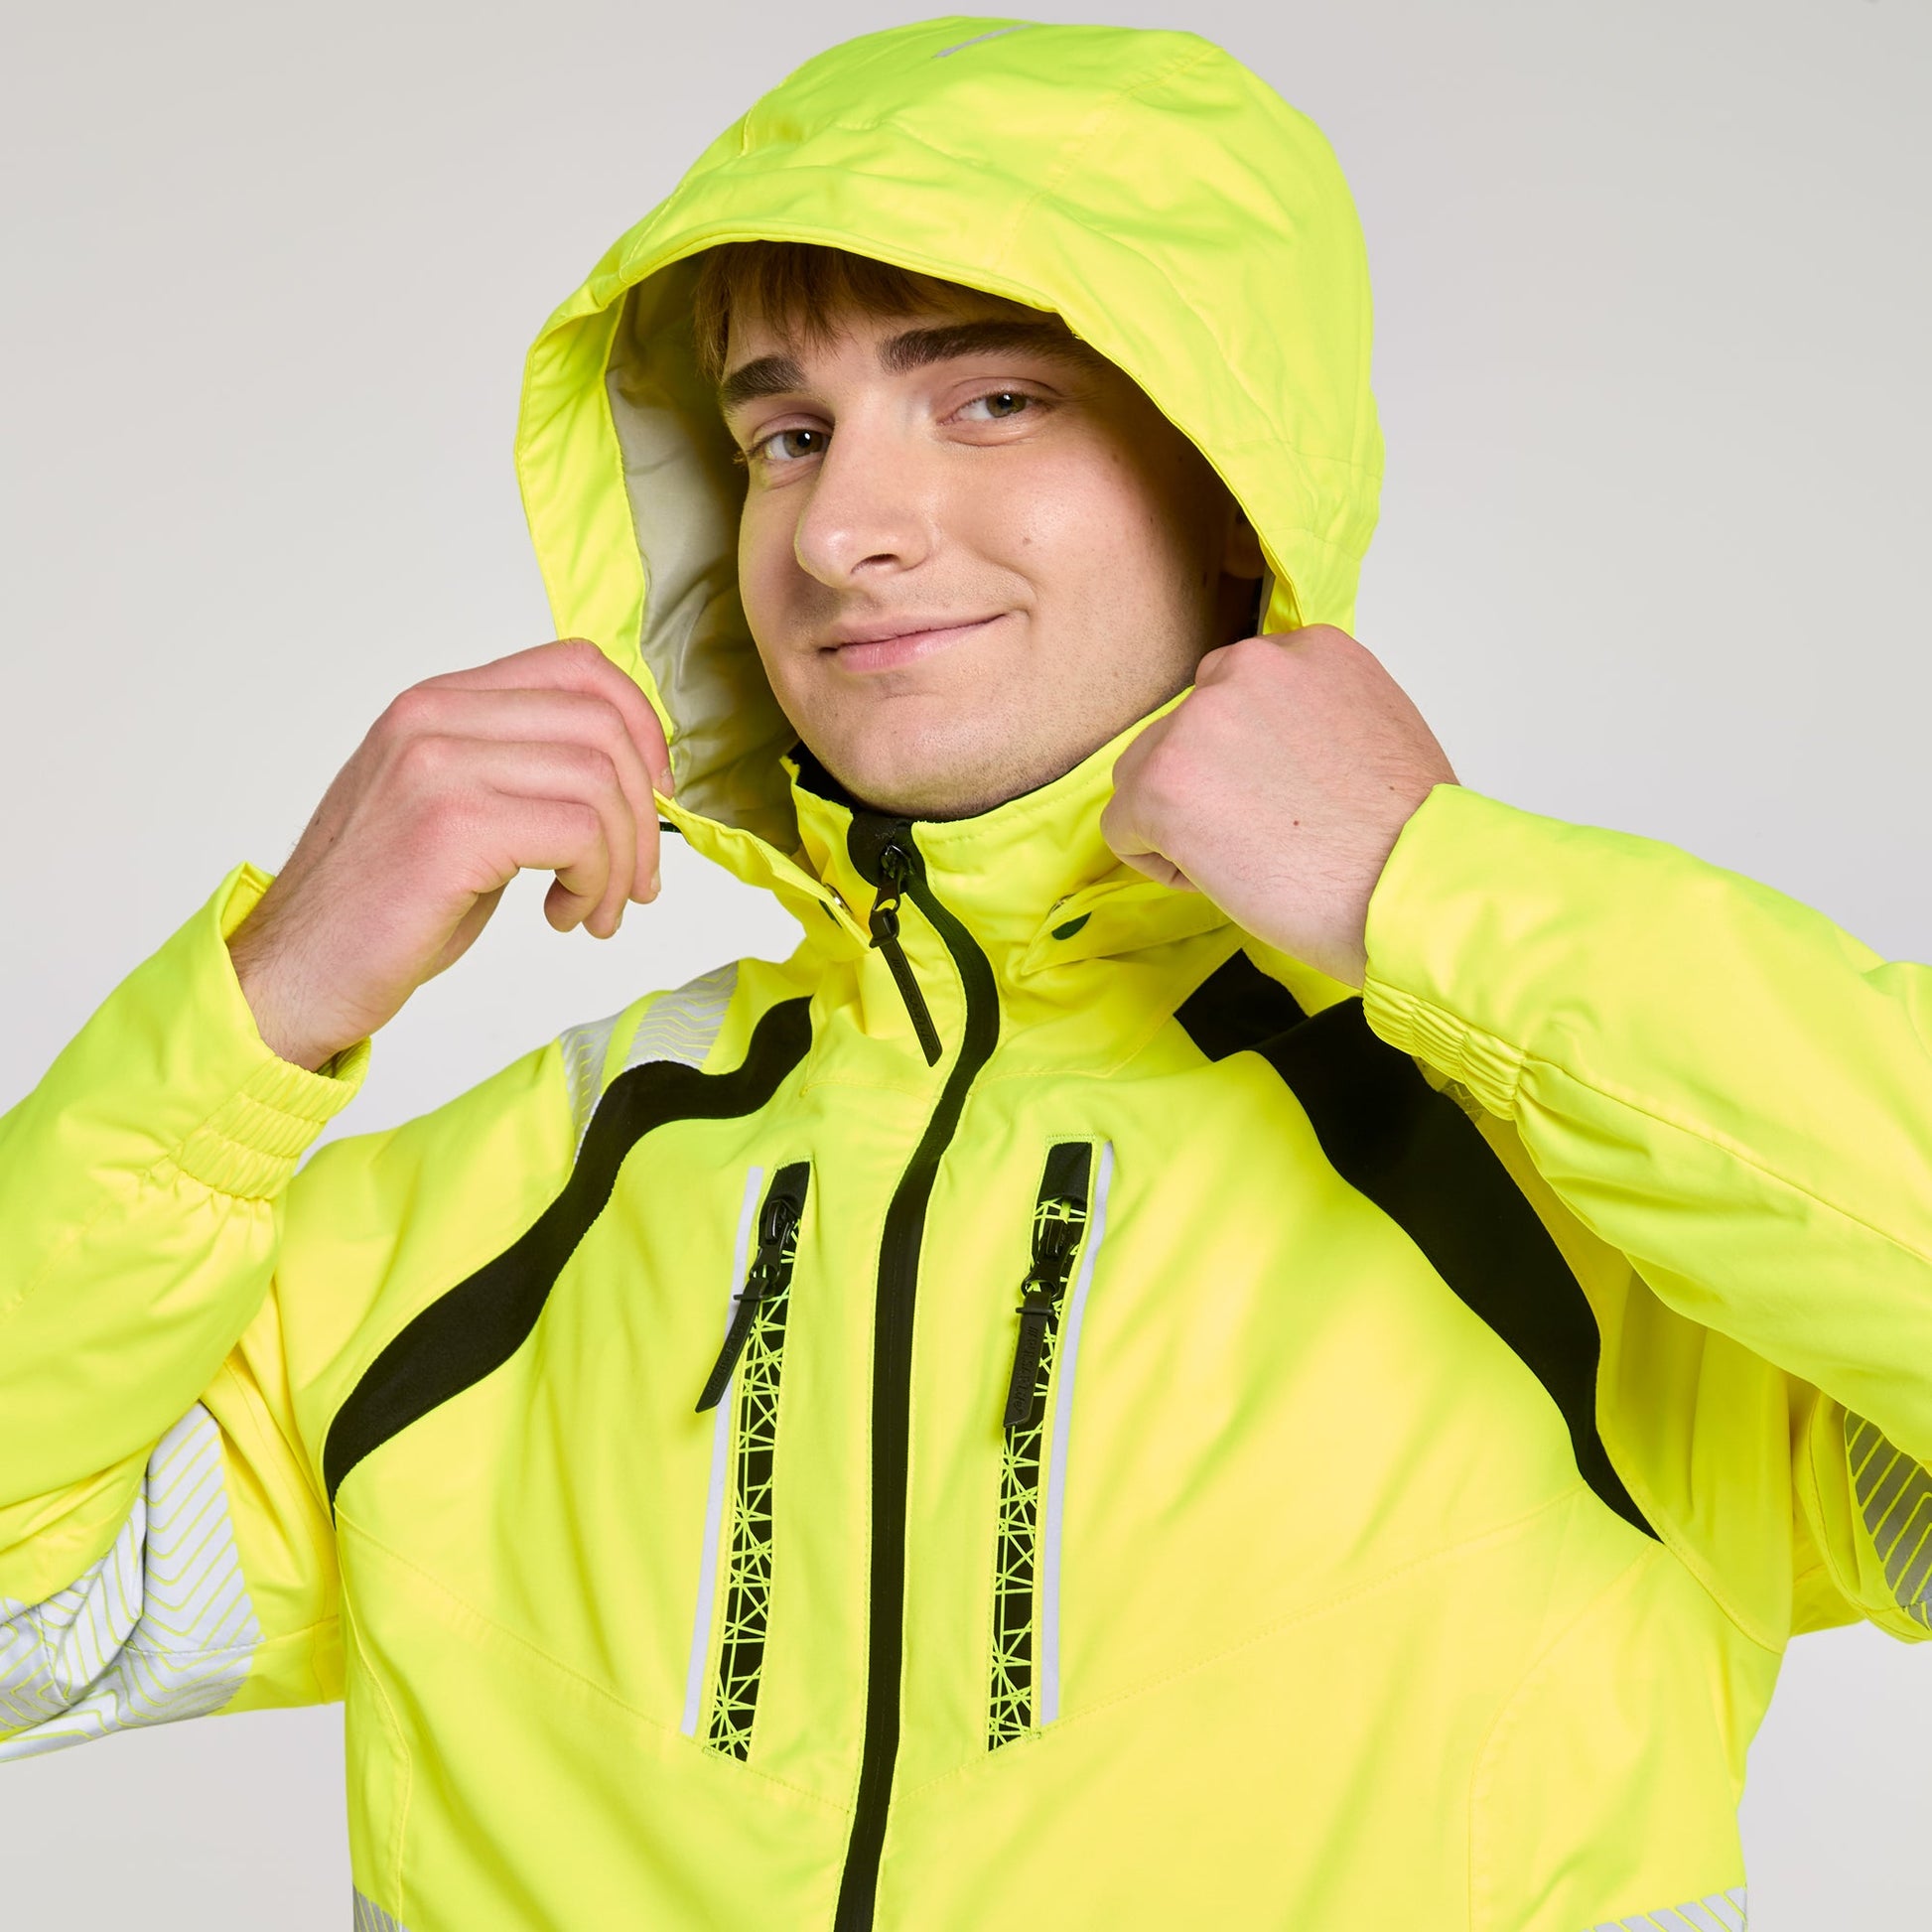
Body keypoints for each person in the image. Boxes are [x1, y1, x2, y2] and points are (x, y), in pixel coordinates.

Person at [2, 16, 1926, 1929]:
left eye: (992, 399)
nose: (841, 532)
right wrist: (261, 1006)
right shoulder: (514, 1213)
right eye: (784, 435)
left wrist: (1435, 891)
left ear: (1229, 480)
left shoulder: (1590, 1188)